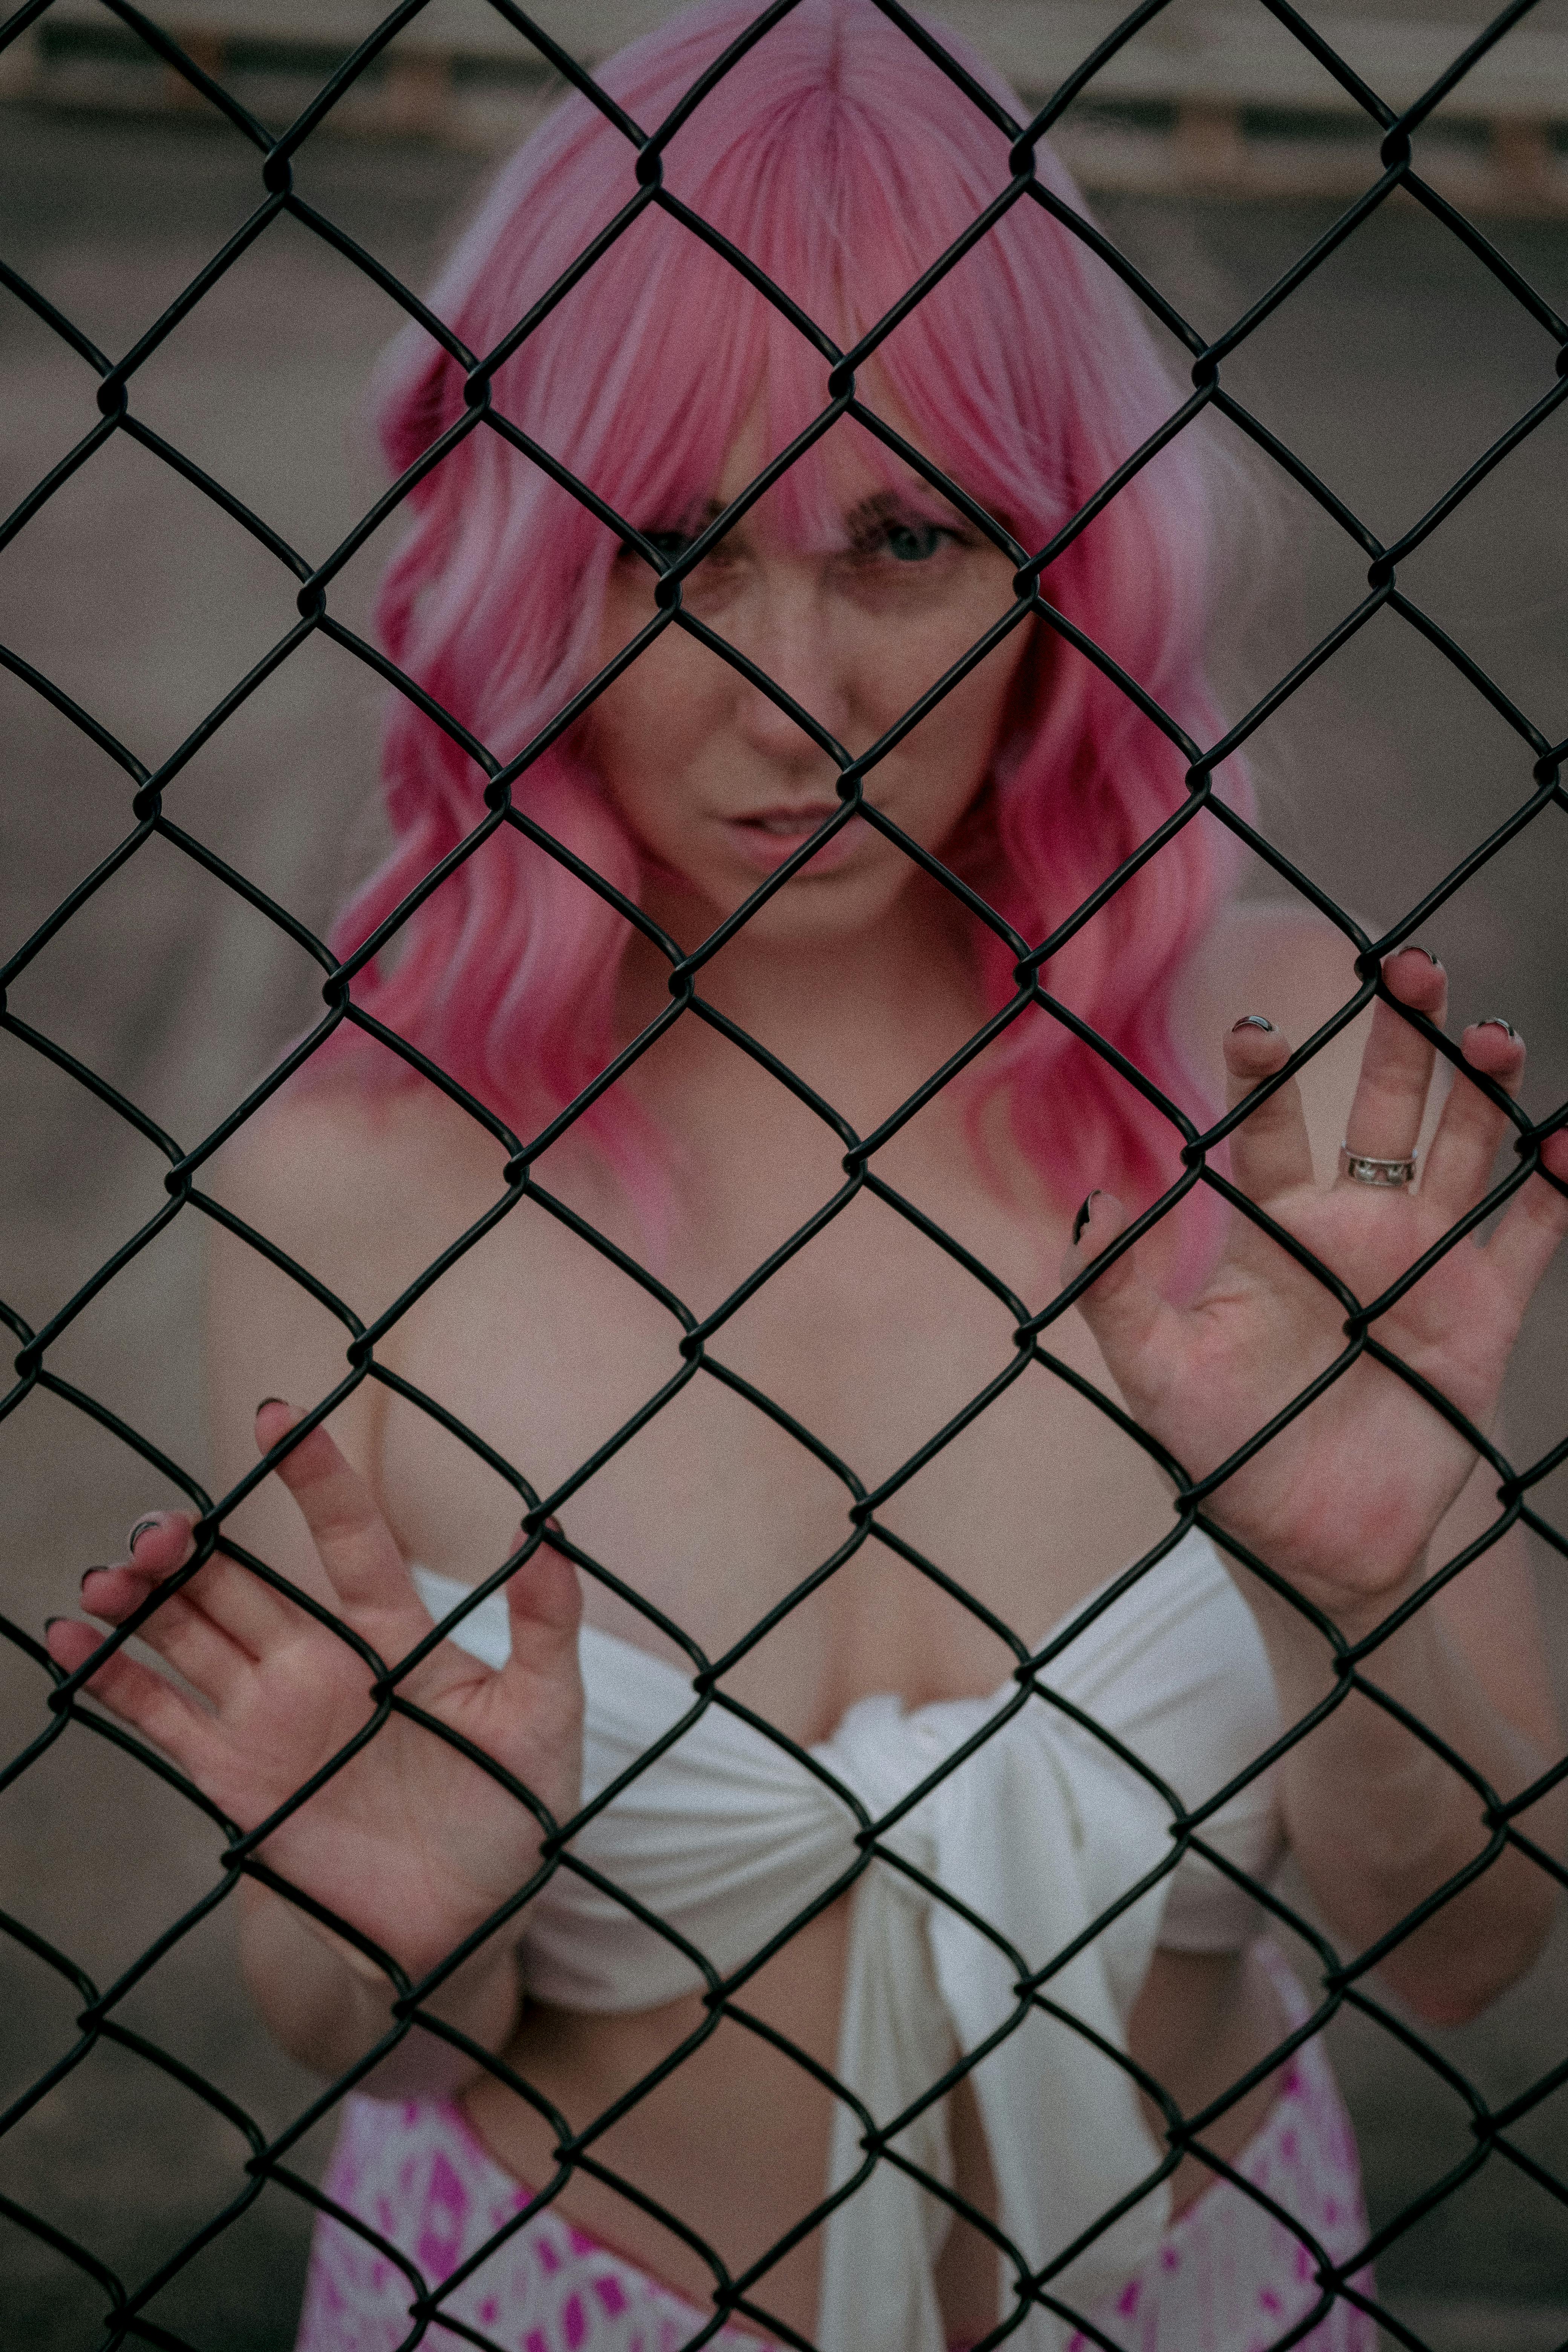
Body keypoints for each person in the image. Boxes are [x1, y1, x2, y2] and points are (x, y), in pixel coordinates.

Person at [46, 3, 1568, 2348]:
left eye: (906, 539)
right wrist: (400, 1921)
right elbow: (367, 2030)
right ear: (530, 563)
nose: (800, 690)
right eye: (668, 547)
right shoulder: (346, 1182)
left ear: (1065, 562)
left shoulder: (1277, 1075)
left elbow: (1472, 1947)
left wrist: (1360, 1590)